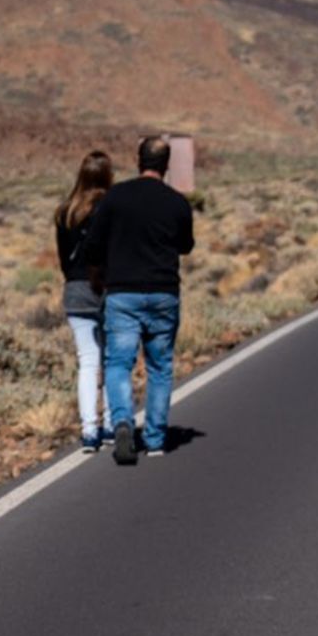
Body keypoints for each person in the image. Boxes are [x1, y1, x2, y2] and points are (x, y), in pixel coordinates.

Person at [82, 136, 194, 465]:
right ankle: (156, 438)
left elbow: (92, 247)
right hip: (163, 293)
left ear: (138, 160)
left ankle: (122, 423)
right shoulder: (176, 202)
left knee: (118, 363)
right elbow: (186, 245)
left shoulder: (116, 198)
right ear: (167, 164)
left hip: (122, 294)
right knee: (159, 367)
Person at [54, 151, 113, 453]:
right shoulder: (112, 207)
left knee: (87, 361)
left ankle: (90, 430)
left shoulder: (65, 212)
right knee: (114, 359)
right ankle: (115, 424)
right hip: (108, 288)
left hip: (76, 290)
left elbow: (64, 260)